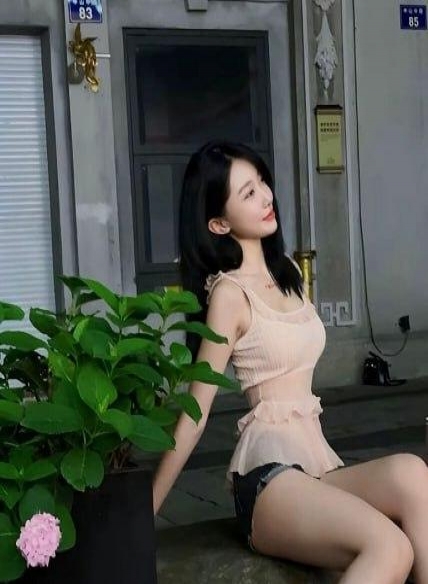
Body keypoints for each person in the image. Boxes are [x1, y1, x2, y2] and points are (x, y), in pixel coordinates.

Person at [153, 141, 428, 584]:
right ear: (219, 223)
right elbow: (195, 415)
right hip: (268, 483)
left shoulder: (288, 273)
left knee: (414, 474)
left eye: (262, 182)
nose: (266, 196)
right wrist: (144, 510)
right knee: (391, 546)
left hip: (318, 471)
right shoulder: (229, 294)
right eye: (248, 193)